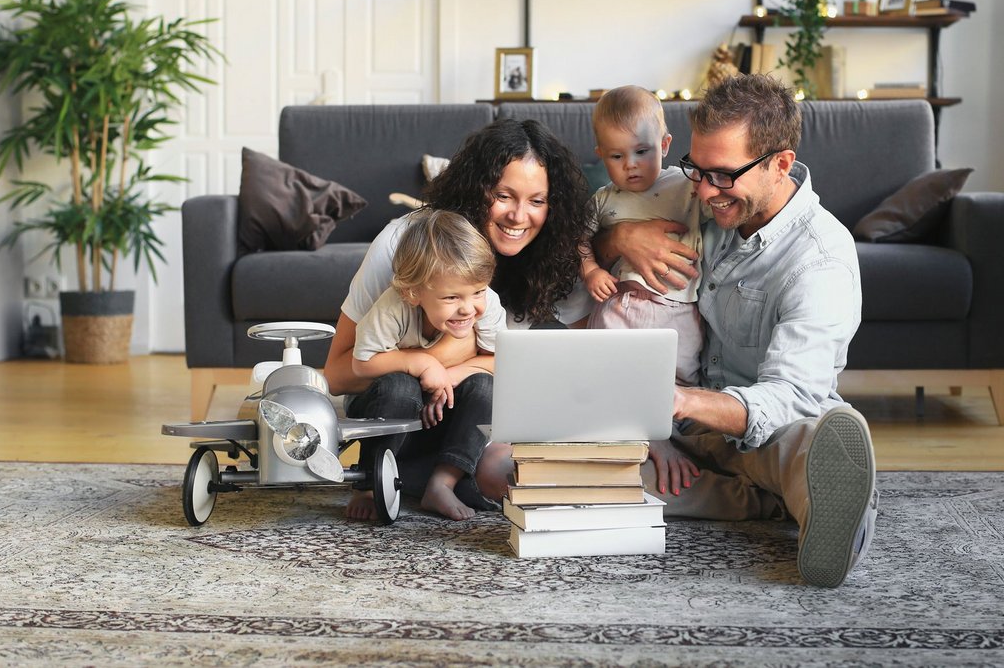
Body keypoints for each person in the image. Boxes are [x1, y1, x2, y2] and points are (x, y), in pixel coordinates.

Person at [595, 73, 878, 588]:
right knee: (577, 477)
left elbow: (788, 395)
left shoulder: (821, 261)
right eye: (696, 170)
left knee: (804, 441)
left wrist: (678, 400)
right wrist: (620, 236)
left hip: (771, 424)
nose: (703, 190)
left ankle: (820, 497)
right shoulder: (703, 204)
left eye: (722, 175)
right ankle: (770, 504)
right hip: (685, 436)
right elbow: (607, 219)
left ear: (781, 164)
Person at [325, 117, 593, 518]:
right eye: (504, 195)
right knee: (402, 389)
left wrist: (456, 370)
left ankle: (436, 480)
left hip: (469, 420)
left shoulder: (552, 260)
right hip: (395, 410)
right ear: (476, 188)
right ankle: (381, 478)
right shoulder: (406, 246)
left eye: (537, 201)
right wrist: (427, 361)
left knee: (524, 479)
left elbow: (529, 373)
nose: (520, 216)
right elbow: (336, 373)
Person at [350, 208, 507, 521]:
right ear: (413, 292)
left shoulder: (486, 303)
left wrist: (449, 375)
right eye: (451, 298)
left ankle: (442, 482)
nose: (468, 308)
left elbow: (501, 361)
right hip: (389, 413)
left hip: (440, 415)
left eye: (476, 291)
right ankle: (368, 484)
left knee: (486, 386)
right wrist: (421, 362)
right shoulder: (394, 306)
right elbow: (361, 364)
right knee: (400, 385)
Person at [581, 85, 706, 387]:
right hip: (621, 303)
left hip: (678, 308)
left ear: (664, 145)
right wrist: (591, 270)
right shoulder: (603, 199)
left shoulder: (686, 185)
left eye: (641, 151)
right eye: (616, 155)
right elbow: (578, 237)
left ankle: (682, 429)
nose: (631, 164)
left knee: (680, 383)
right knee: (602, 376)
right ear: (601, 155)